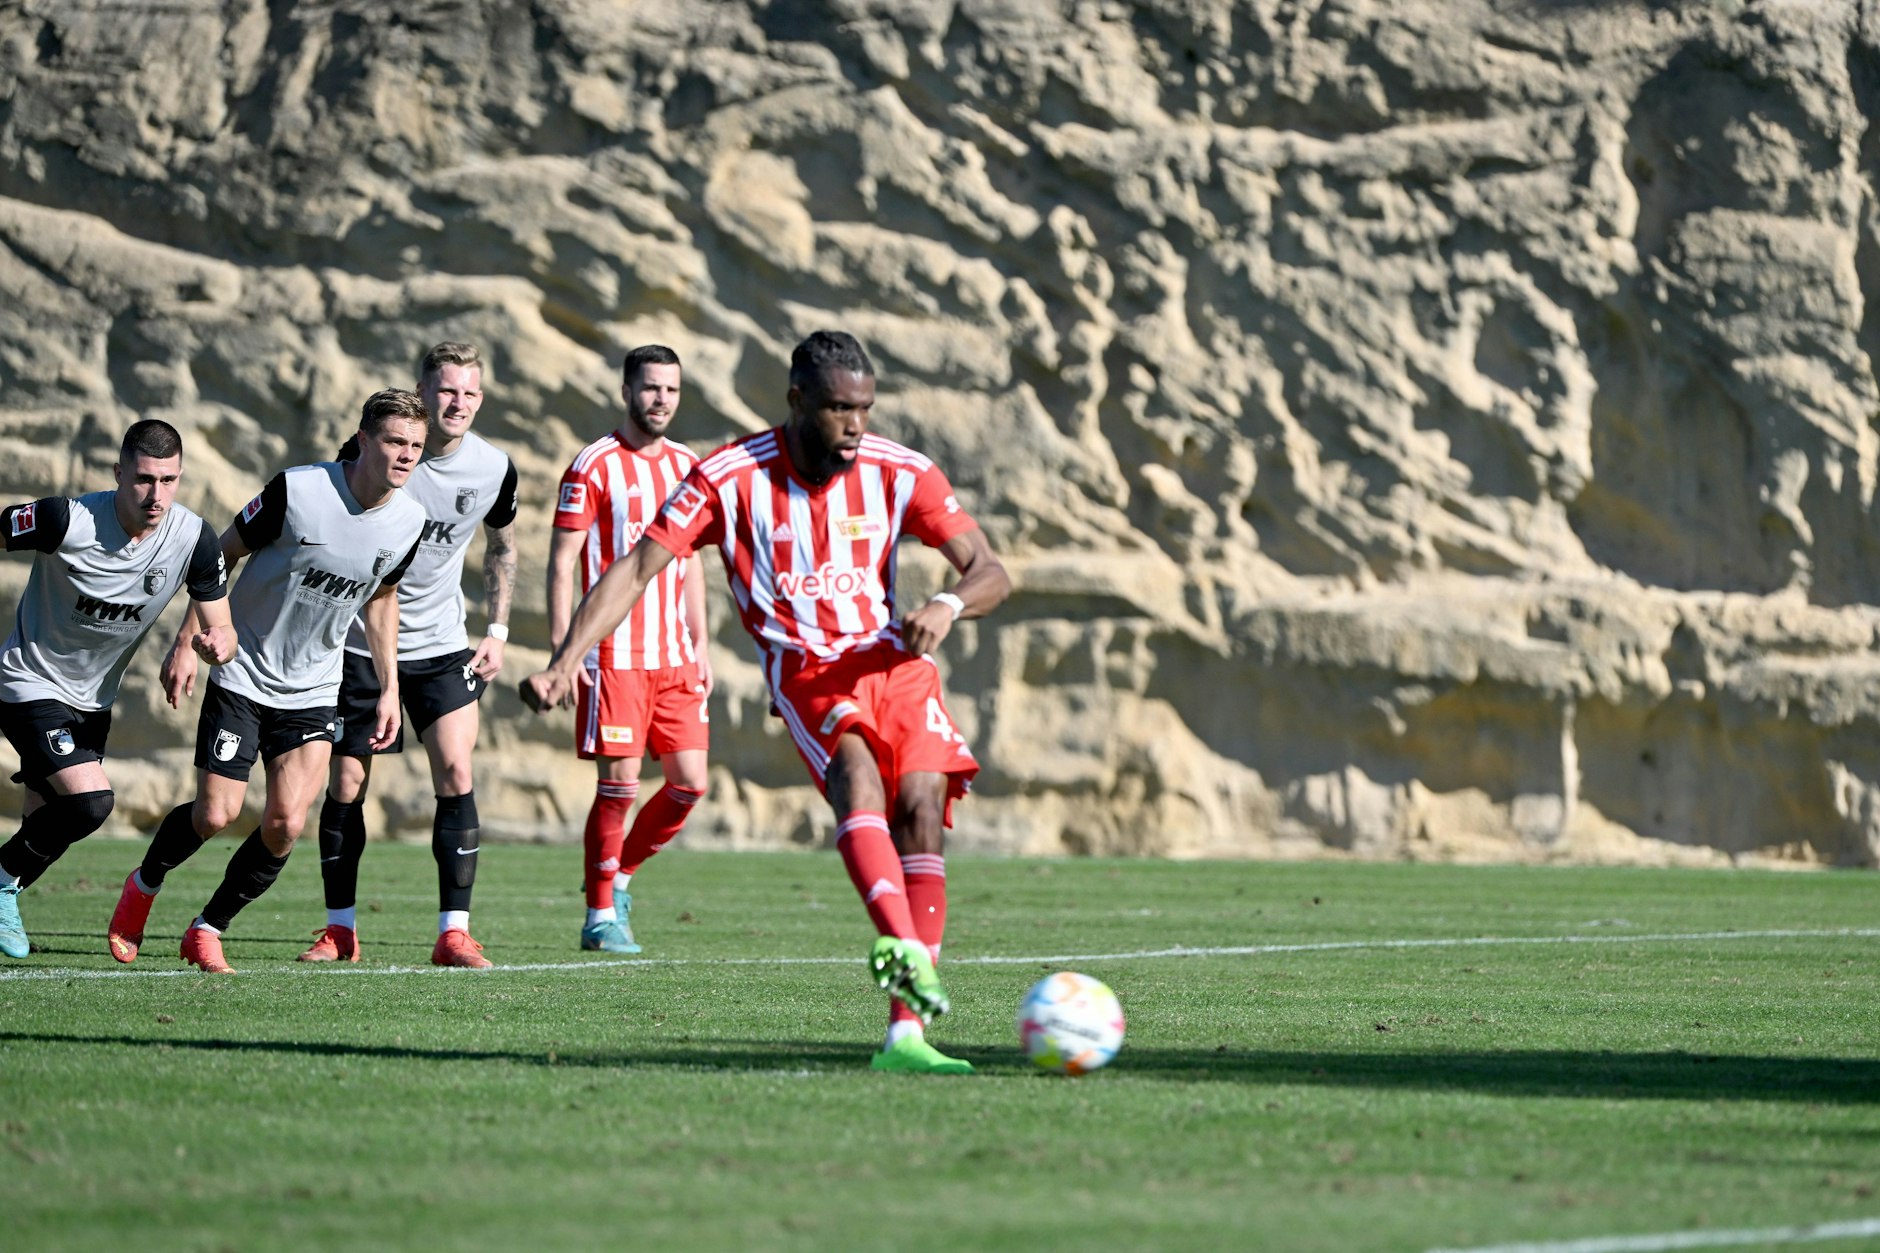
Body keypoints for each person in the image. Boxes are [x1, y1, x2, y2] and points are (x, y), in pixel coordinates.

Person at [523, 330, 1010, 1075]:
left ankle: (907, 1034)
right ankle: (902, 941)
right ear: (797, 401)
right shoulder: (728, 476)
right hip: (809, 669)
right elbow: (637, 566)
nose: (855, 425)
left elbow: (989, 568)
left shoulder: (897, 470)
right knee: (857, 774)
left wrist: (946, 603)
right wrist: (564, 663)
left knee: (921, 802)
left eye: (865, 409)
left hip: (896, 662)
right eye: (839, 408)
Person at [106, 390, 429, 973]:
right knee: (216, 815)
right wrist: (185, 642)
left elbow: (382, 598)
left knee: (284, 824)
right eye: (394, 441)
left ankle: (207, 929)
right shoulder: (299, 491)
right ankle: (144, 885)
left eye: (415, 446)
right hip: (243, 672)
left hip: (314, 688)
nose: (406, 455)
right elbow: (218, 558)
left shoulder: (410, 521)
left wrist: (390, 686)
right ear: (363, 440)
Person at [301, 343, 519, 969]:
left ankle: (455, 933)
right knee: (347, 783)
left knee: (456, 771)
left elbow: (501, 549)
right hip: (362, 645)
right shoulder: (378, 452)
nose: (459, 404)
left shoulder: (495, 469)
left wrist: (497, 630)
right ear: (422, 391)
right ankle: (339, 929)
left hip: (444, 644)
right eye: (447, 391)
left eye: (471, 393)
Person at [0, 420, 235, 959]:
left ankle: (7, 889)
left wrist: (216, 646)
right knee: (90, 803)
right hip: (27, 679)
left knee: (44, 822)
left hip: (93, 701)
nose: (157, 495)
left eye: (169, 480)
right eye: (144, 480)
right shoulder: (68, 519)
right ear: (119, 473)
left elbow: (221, 626)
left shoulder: (193, 538)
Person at [548, 344, 711, 954]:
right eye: (650, 388)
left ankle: (620, 876)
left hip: (674, 657)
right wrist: (566, 655)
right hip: (613, 656)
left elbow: (690, 563)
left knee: (689, 783)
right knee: (618, 786)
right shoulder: (593, 465)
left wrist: (701, 644)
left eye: (670, 389)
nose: (660, 399)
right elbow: (563, 563)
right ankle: (598, 915)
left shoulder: (690, 466)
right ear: (626, 391)